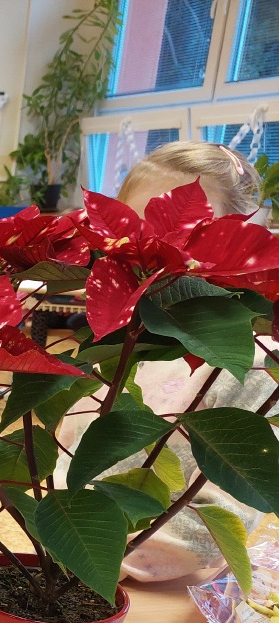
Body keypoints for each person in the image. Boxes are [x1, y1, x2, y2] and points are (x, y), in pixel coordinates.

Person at [59, 140, 279, 582]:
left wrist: (106, 558)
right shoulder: (120, 338)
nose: (158, 251)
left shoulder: (249, 365)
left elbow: (230, 507)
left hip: (165, 586)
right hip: (73, 562)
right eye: (137, 227)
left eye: (193, 233)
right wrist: (69, 538)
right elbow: (69, 455)